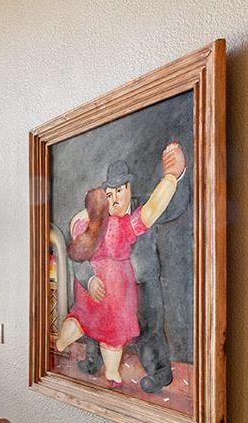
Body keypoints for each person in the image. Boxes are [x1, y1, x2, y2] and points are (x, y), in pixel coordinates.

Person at [54, 143, 186, 385]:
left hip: (139, 283)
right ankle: (92, 362)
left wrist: (173, 176)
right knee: (92, 322)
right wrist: (90, 279)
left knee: (142, 327)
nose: (114, 198)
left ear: (129, 187)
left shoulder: (136, 213)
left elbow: (166, 205)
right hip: (101, 291)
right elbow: (79, 254)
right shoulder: (92, 222)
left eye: (119, 190)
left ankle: (158, 372)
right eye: (109, 193)